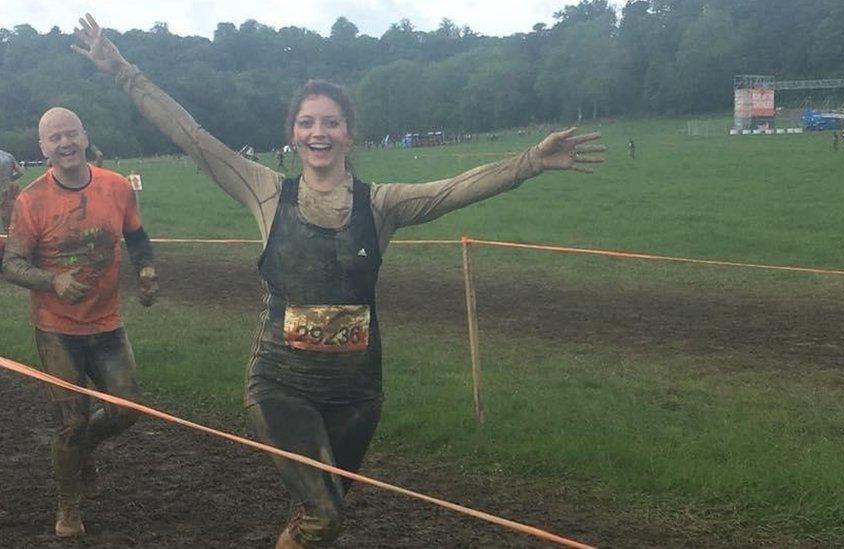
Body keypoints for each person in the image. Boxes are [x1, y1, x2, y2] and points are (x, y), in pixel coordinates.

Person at [75, 14, 605, 548]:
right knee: (323, 515)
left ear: (348, 132)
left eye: (330, 122)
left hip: (356, 393)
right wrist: (122, 71)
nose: (318, 133)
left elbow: (454, 190)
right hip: (280, 383)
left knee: (316, 518)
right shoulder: (264, 191)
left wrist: (530, 162)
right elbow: (192, 137)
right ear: (293, 133)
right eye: (307, 122)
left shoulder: (380, 205)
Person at [1, 106, 159, 538]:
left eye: (71, 134)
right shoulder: (31, 200)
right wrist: (53, 280)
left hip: (107, 324)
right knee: (71, 421)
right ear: (42, 148)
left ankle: (83, 448)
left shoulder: (117, 187)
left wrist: (146, 271)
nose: (65, 143)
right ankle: (68, 505)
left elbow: (138, 238)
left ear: (85, 137)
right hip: (57, 329)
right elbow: (11, 264)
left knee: (128, 411)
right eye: (55, 138)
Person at [1, 148, 26, 232]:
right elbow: (21, 172)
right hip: (7, 192)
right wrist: (10, 179)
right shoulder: (8, 156)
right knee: (9, 222)